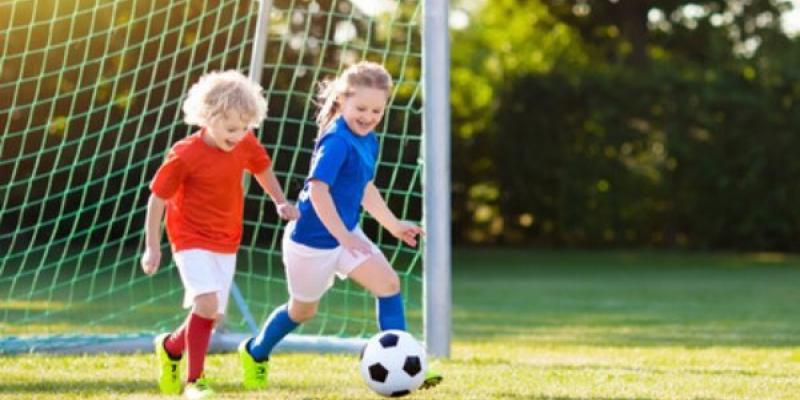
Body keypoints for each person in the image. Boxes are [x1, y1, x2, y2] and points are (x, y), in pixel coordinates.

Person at [237, 61, 442, 391]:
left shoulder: (368, 138)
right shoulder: (336, 140)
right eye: (360, 107)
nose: (368, 116)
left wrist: (392, 225)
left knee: (389, 284)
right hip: (311, 243)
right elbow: (318, 191)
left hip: (345, 235)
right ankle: (255, 352)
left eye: (376, 110)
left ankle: (407, 366)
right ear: (342, 100)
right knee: (302, 311)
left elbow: (364, 186)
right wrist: (343, 236)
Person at [141, 70, 299, 399]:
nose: (239, 135)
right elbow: (157, 198)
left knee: (211, 315)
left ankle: (170, 347)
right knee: (207, 303)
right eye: (231, 128)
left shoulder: (244, 142)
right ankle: (194, 382)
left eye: (245, 128)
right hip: (189, 237)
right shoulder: (185, 155)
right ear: (208, 117)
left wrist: (280, 201)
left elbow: (261, 167)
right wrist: (152, 248)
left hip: (227, 238)